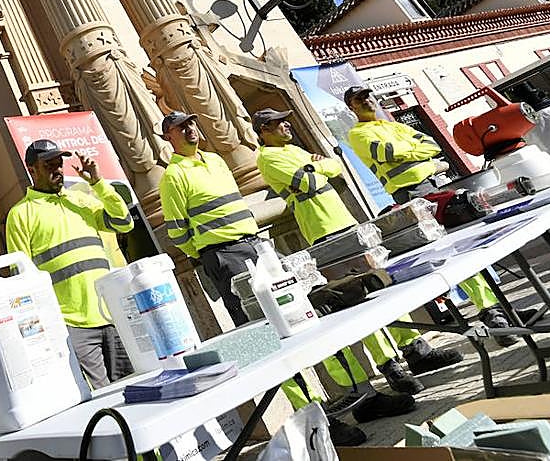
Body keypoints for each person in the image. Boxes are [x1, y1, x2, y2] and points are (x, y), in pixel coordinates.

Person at [157, 111, 415, 443]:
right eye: (180, 127)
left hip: (257, 246)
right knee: (268, 339)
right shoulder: (173, 176)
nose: (190, 129)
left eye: (191, 123)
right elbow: (178, 233)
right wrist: (209, 253)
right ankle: (317, 419)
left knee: (309, 316)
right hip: (224, 256)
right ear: (169, 137)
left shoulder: (217, 161)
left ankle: (363, 396)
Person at [252, 107, 463, 387]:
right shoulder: (268, 157)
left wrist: (318, 166)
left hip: (346, 223)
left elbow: (335, 167)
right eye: (280, 122)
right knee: (356, 298)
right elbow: (309, 182)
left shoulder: (294, 151)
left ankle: (416, 350)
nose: (287, 125)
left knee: (383, 284)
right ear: (264, 130)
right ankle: (389, 366)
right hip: (323, 232)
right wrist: (318, 167)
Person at [344, 86, 521, 346]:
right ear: (352, 107)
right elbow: (390, 153)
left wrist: (418, 157)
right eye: (359, 99)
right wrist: (428, 161)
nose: (368, 101)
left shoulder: (393, 126)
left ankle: (500, 309)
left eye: (368, 96)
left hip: (434, 184)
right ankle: (491, 313)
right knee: (450, 249)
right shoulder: (358, 134)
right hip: (412, 193)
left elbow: (432, 144)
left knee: (466, 243)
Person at [5, 138, 134, 389]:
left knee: (135, 387)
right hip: (71, 325)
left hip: (110, 315)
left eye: (59, 163)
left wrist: (98, 183)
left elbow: (124, 223)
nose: (57, 169)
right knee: (100, 397)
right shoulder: (20, 214)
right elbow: (21, 281)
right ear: (32, 170)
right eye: (49, 165)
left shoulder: (81, 200)